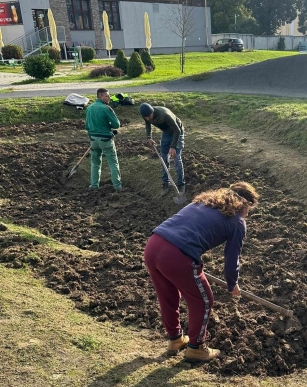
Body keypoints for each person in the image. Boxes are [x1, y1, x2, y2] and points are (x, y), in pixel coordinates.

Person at [144, 182, 259, 363]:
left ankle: (175, 340)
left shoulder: (204, 202)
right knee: (204, 300)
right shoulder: (237, 222)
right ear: (246, 204)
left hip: (154, 245)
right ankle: (197, 348)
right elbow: (231, 258)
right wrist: (232, 283)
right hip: (177, 255)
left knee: (168, 295)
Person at [139, 103, 185, 197]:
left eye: (149, 116)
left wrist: (173, 147)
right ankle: (165, 183)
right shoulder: (146, 115)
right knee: (163, 158)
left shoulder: (164, 115)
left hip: (177, 132)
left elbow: (177, 130)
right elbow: (148, 124)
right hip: (166, 132)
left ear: (152, 111)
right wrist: (149, 137)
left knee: (176, 159)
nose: (148, 118)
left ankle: (181, 184)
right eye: (146, 117)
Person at [85, 88, 122, 191]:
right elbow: (116, 124)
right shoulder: (107, 108)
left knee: (95, 163)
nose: (109, 98)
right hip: (106, 140)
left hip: (93, 140)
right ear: (100, 96)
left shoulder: (89, 108)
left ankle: (94, 185)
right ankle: (117, 186)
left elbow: (87, 126)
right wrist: (109, 126)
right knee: (113, 163)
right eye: (107, 96)